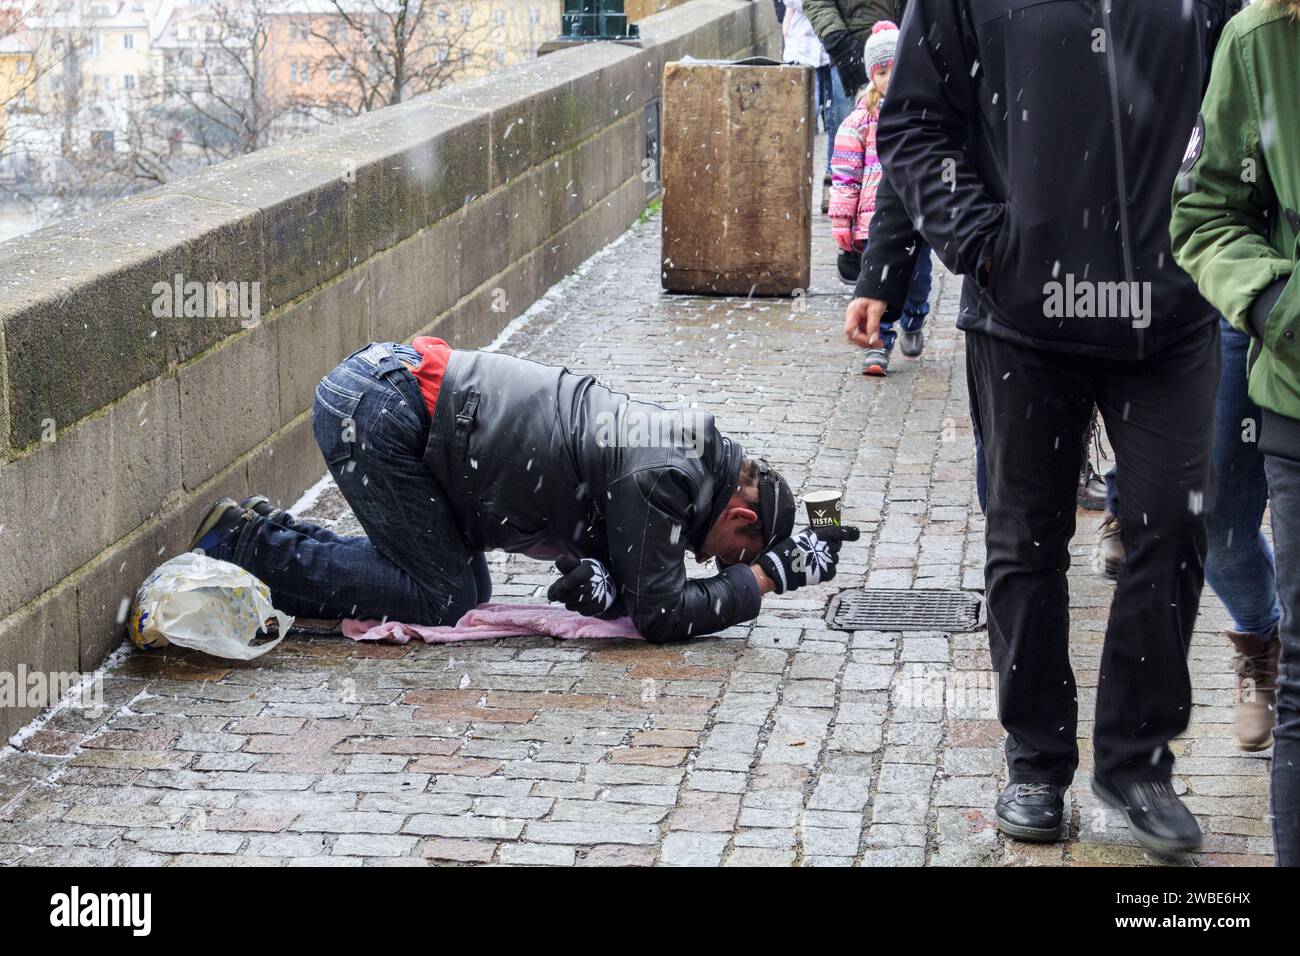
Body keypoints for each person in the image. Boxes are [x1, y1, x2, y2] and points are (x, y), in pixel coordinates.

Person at [875, 0, 1240, 854]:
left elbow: (1254, 88)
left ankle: (1136, 761)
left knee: (1173, 521)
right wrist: (982, 240)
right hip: (1024, 316)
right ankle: (1036, 761)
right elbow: (915, 122)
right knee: (1025, 540)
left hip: (1170, 313)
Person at [188, 340, 858, 644]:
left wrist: (603, 583)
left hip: (382, 398)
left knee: (456, 586)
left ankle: (264, 540)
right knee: (445, 596)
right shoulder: (664, 472)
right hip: (379, 413)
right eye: (731, 553)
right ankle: (244, 546)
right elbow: (661, 613)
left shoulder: (686, 456)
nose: (712, 565)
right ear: (739, 513)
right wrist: (767, 577)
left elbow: (640, 574)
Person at [1170, 0, 1300, 865]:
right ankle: (1263, 639)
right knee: (1214, 517)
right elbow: (1203, 200)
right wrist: (1272, 302)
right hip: (1246, 309)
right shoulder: (1256, 34)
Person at [828, 20, 931, 376]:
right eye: (883, 72)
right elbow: (844, 177)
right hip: (872, 223)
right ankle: (879, 343)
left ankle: (916, 317)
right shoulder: (858, 123)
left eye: (896, 70)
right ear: (873, 76)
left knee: (918, 280)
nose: (890, 78)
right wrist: (842, 221)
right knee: (878, 283)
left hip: (916, 218)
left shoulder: (921, 115)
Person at [804, 0, 905, 212]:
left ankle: (894, 197)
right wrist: (840, 43)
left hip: (901, 47)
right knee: (850, 130)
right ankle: (843, 197)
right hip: (852, 46)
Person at [781, 0, 837, 194]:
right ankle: (794, 182)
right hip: (802, 50)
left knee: (835, 119)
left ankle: (832, 182)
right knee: (802, 119)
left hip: (833, 50)